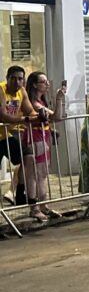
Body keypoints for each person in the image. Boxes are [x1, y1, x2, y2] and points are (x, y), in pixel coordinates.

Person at [22, 72, 66, 221]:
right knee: (35, 174)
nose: (47, 84)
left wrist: (59, 99)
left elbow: (57, 117)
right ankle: (34, 207)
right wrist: (59, 98)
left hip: (43, 137)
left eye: (47, 81)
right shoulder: (33, 102)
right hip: (34, 138)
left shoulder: (41, 101)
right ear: (35, 84)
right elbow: (55, 117)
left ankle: (43, 204)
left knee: (43, 173)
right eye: (43, 82)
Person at [1, 66, 40, 211]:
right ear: (7, 78)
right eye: (13, 78)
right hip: (2, 134)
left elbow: (30, 110)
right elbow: (4, 116)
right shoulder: (1, 90)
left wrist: (40, 115)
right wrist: (25, 119)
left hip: (10, 134)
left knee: (28, 156)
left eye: (20, 79)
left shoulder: (22, 91)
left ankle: (20, 193)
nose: (17, 82)